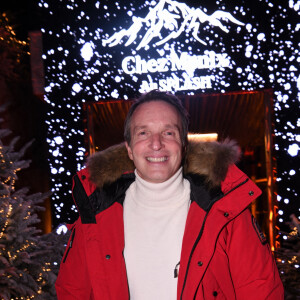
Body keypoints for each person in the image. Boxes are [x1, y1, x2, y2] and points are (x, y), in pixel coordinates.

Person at [55, 90, 284, 299]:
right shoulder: (95, 216)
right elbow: (72, 293)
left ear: (183, 144)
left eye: (168, 132)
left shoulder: (226, 212)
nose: (156, 144)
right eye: (143, 132)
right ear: (129, 148)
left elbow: (263, 292)